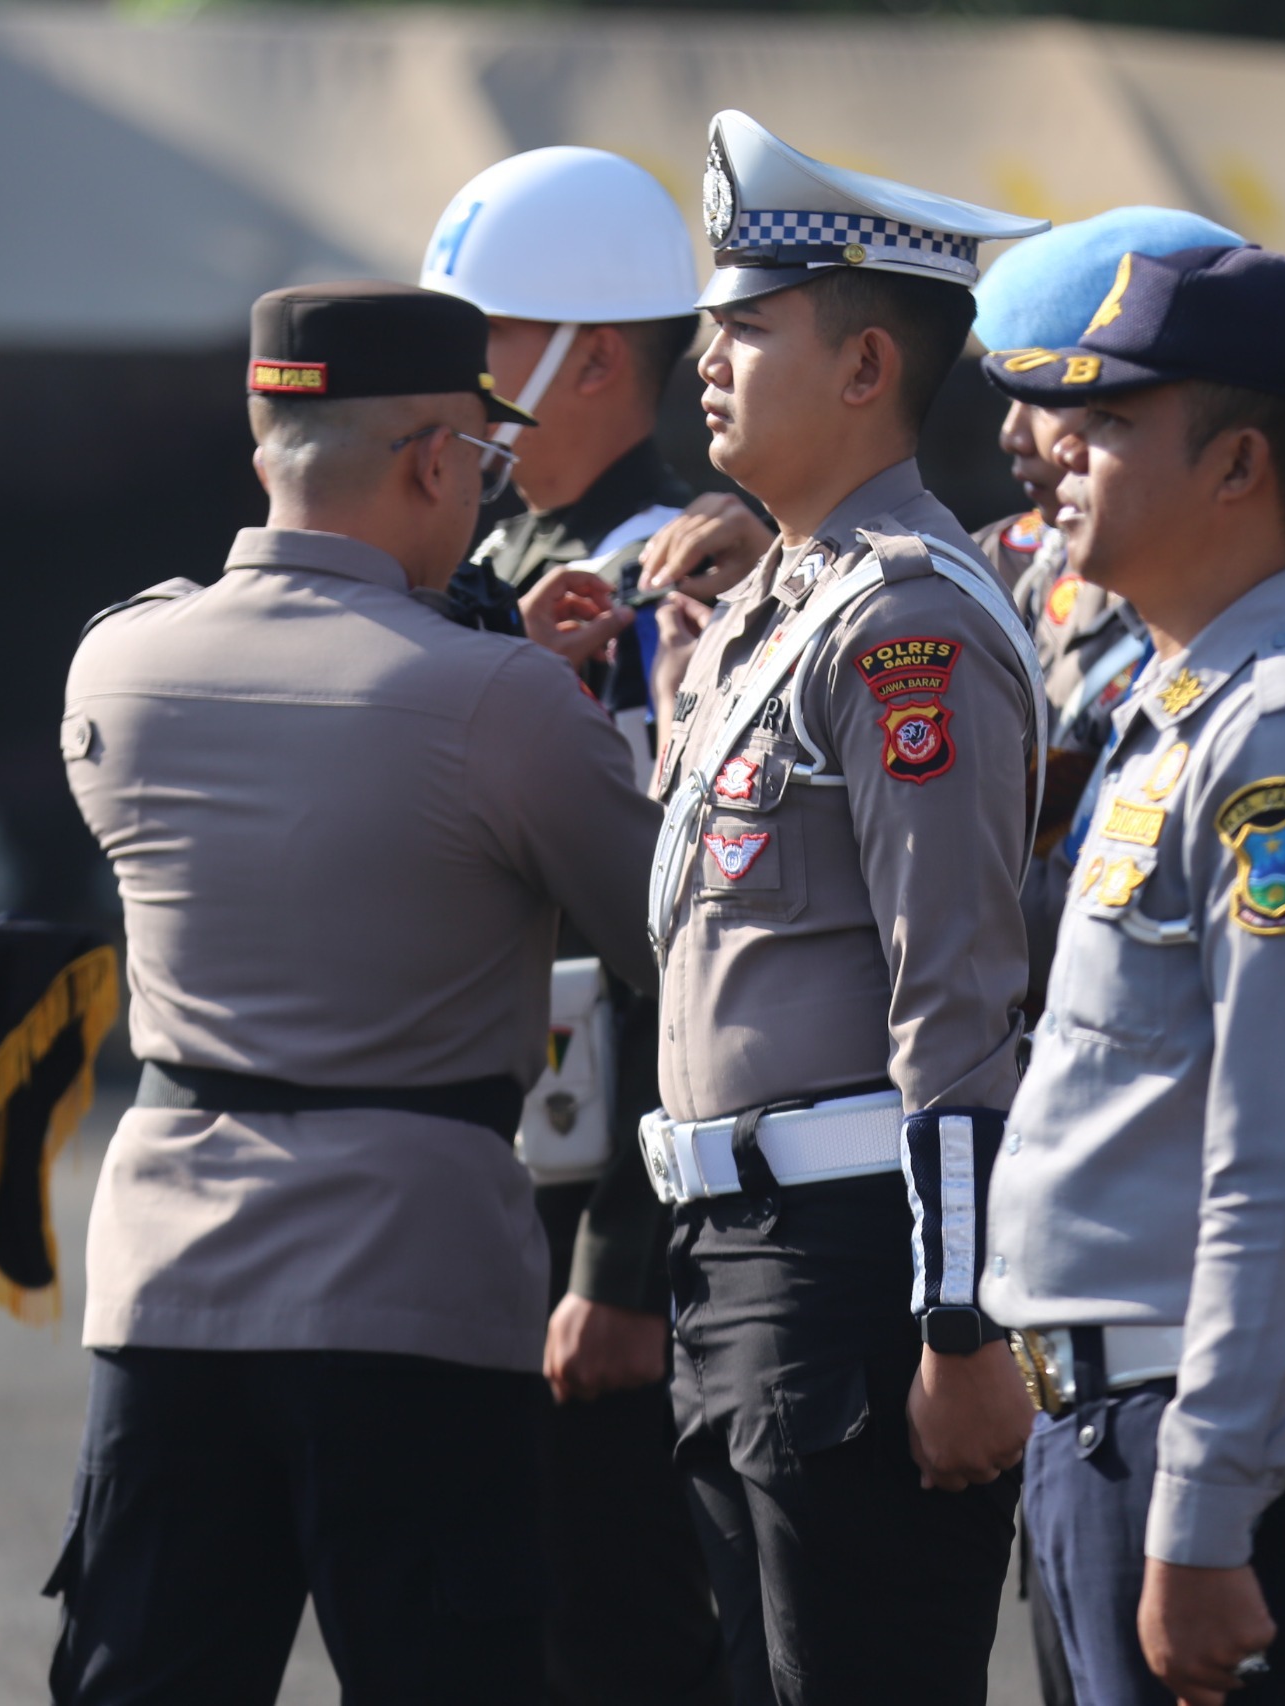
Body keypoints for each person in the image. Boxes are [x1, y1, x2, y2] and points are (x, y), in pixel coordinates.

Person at [50, 281, 661, 1706]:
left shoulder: (118, 662)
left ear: (267, 447)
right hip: (415, 1285)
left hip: (170, 1283)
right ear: (440, 462)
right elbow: (669, 934)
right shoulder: (507, 701)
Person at [980, 244, 1285, 1706]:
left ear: (1240, 463)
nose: (1064, 456)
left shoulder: (1283, 743)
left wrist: (1204, 1509)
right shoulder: (1179, 704)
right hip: (1119, 1418)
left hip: (1216, 1433)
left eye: (1111, 424)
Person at [636, 109, 1047, 1703]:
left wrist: (961, 1320)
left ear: (869, 368)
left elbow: (955, 995)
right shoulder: (779, 599)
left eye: (747, 326)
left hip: (856, 1272)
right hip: (738, 1250)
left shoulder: (908, 626)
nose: (708, 357)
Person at [417, 147, 729, 1706]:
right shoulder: (487, 567)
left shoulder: (670, 577)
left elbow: (670, 938)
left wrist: (620, 1251)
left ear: (593, 356)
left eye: (482, 337)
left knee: (618, 1627)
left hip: (595, 1192)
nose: (449, 382)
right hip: (480, 1177)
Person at [966, 208, 1239, 1016]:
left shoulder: (1229, 616)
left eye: (1051, 396)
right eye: (1009, 393)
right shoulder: (996, 566)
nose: (1014, 435)